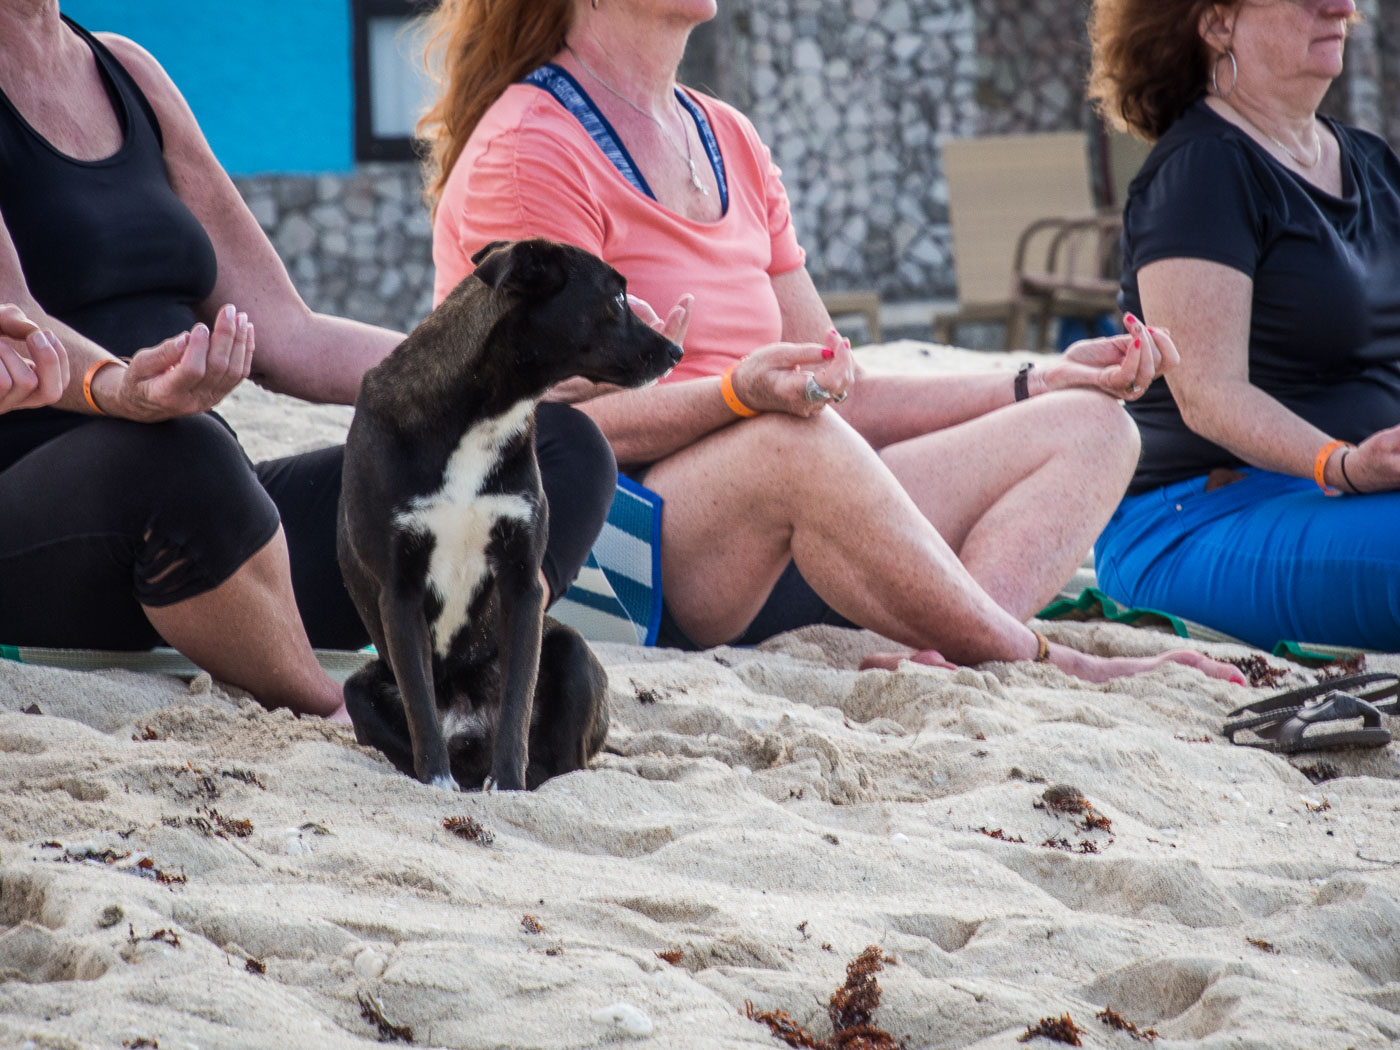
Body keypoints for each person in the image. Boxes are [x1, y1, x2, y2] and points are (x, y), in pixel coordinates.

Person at [417, 0, 1245, 684]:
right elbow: (543, 428)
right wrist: (737, 396)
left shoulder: (726, 137)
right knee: (789, 439)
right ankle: (1033, 657)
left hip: (791, 521)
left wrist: (1037, 382)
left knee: (1096, 427)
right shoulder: (531, 147)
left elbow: (840, 388)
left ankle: (956, 650)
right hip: (623, 552)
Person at [0, 2, 617, 718]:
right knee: (181, 456)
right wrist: (119, 390)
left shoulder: (129, 74)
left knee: (555, 444)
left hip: (220, 521)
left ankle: (468, 672)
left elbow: (288, 333)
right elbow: (16, 317)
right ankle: (335, 708)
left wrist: (491, 368)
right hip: (55, 517)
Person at [1087, 0, 1400, 650]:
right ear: (1217, 23)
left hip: (1344, 500)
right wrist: (1341, 465)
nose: (1342, 6)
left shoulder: (1372, 162)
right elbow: (1207, 394)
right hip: (1198, 516)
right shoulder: (1201, 170)